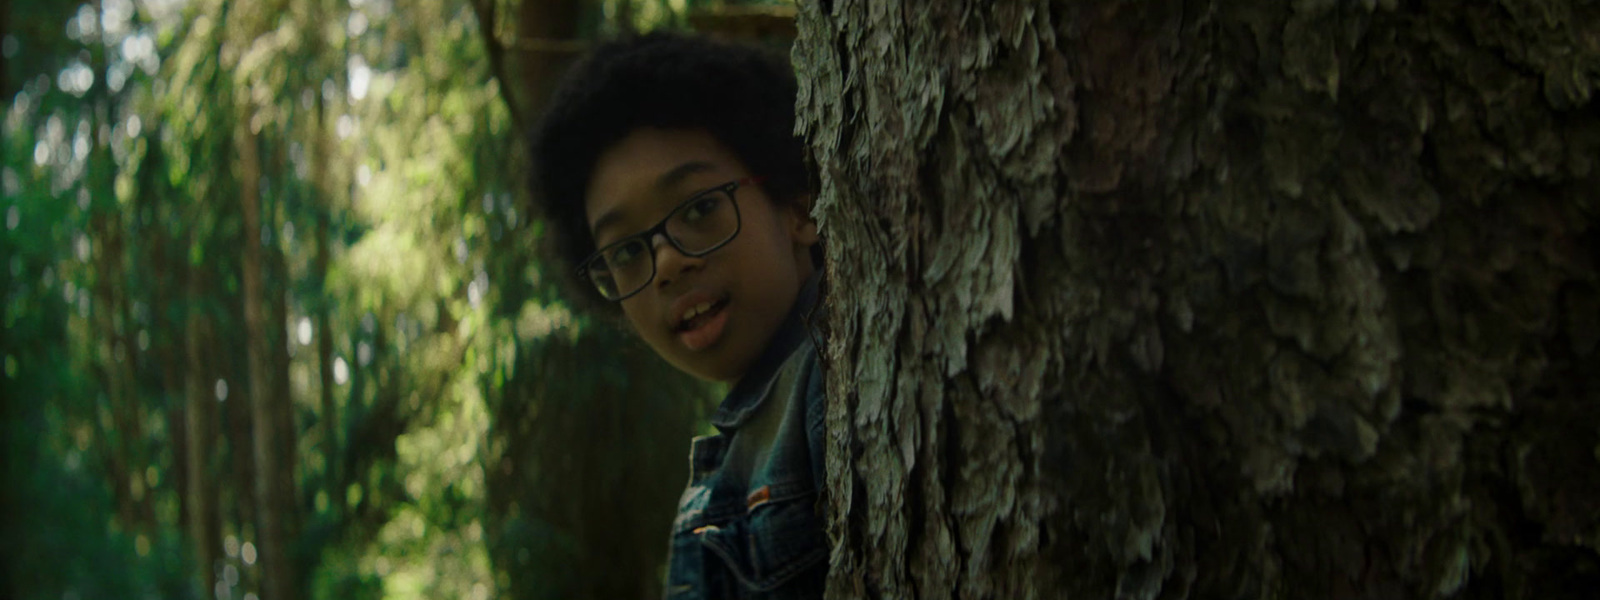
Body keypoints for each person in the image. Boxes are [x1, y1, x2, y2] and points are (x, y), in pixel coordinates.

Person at [528, 31, 828, 599]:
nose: (665, 263)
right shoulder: (741, 453)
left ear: (799, 204)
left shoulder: (830, 380)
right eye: (625, 252)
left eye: (699, 208)